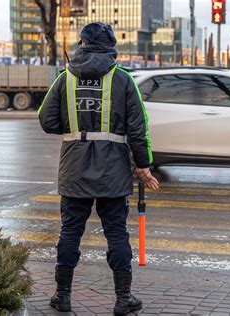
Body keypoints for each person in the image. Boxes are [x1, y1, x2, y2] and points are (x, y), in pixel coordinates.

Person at [37, 22, 159, 315]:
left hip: (73, 168)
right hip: (113, 171)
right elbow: (138, 128)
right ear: (111, 47)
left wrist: (75, 128)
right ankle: (122, 299)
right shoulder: (124, 80)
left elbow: (46, 120)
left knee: (70, 232)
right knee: (116, 233)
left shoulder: (65, 78)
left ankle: (62, 296)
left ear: (81, 45)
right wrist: (143, 165)